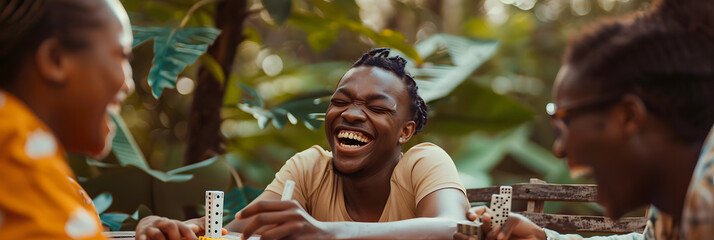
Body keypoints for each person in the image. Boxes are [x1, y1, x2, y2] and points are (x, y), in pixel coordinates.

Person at [136, 48, 471, 239]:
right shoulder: (309, 168)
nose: (352, 114)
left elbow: (453, 228)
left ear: (405, 132)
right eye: (341, 101)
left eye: (377, 107)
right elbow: (236, 230)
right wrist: (177, 229)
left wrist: (327, 233)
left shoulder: (423, 163)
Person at [455, 0, 714, 239]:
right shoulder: (677, 203)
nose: (560, 148)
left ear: (628, 116)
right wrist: (543, 237)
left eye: (564, 120)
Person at [0, 0, 135, 239]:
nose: (128, 84)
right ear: (55, 59)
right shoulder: (14, 152)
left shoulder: (45, 178)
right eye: (121, 55)